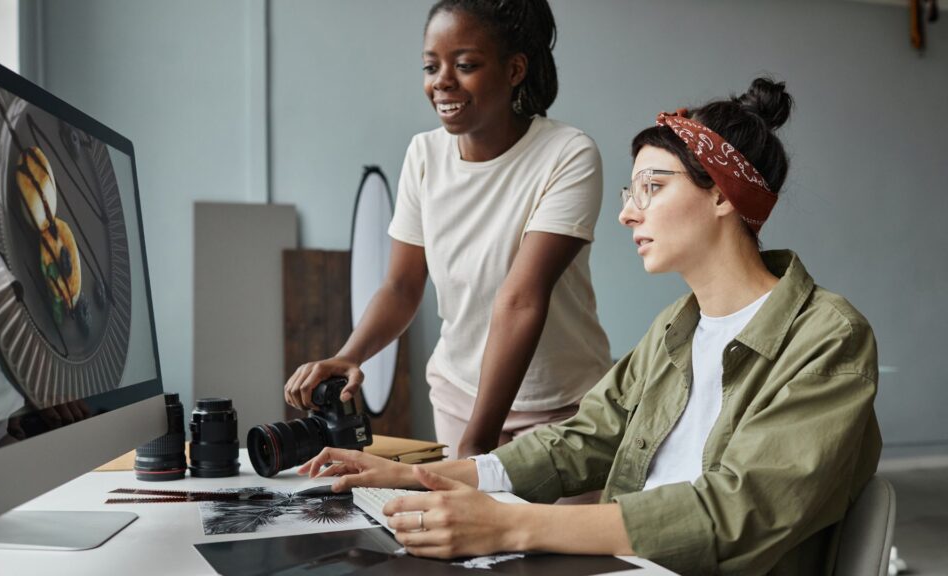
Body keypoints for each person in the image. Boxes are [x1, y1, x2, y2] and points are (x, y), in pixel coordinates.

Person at [297, 78, 882, 575]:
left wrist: (515, 524)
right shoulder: (676, 329)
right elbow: (583, 440)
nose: (629, 211)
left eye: (654, 187)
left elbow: (738, 513)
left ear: (723, 196)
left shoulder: (828, 338)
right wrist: (420, 477)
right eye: (633, 192)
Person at [284, 0, 611, 461]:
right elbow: (401, 286)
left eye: (465, 65)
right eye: (430, 66)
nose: (442, 81)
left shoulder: (568, 154)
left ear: (515, 68)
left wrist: (476, 446)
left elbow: (520, 298)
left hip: (563, 407)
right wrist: (350, 354)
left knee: (554, 536)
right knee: (470, 535)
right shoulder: (423, 155)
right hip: (459, 395)